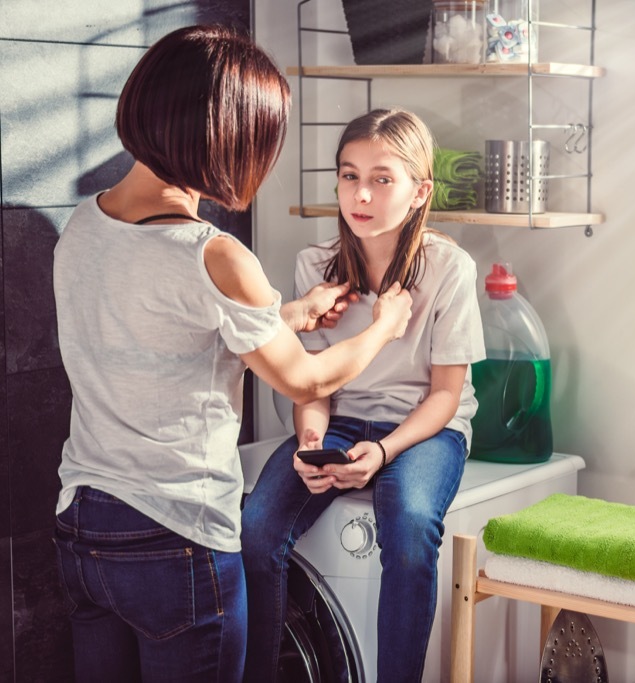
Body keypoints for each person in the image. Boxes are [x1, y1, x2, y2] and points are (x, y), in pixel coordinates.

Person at [51, 26, 412, 683]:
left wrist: (292, 314)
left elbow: (161, 329)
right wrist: (385, 325)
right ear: (225, 139)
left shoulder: (81, 226)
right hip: (175, 538)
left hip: (85, 529)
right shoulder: (213, 254)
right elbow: (304, 374)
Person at [241, 108, 486, 682]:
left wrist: (385, 452)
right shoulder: (316, 265)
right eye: (350, 176)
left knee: (408, 529)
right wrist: (310, 440)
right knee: (255, 529)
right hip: (341, 421)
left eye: (382, 178)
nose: (362, 194)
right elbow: (313, 383)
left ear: (420, 190)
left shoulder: (448, 268)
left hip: (425, 428)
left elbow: (446, 396)